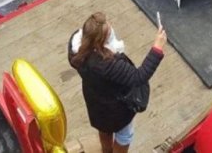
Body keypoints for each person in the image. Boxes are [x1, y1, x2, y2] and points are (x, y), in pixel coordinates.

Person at [69, 12, 166, 153]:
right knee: (125, 135)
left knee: (104, 129)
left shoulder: (76, 50)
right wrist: (157, 48)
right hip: (115, 110)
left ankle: (106, 151)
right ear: (101, 42)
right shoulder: (107, 64)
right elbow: (139, 77)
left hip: (95, 102)